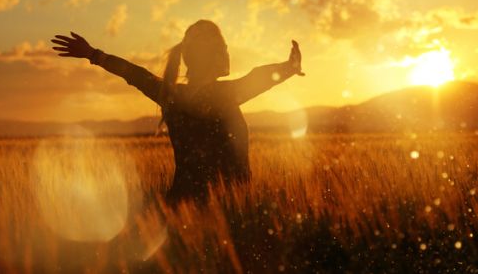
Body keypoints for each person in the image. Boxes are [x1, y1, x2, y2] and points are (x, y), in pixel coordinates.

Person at [51, 20, 304, 204]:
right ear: (217, 55)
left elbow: (135, 73)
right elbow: (259, 77)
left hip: (182, 206)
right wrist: (289, 67)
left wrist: (93, 54)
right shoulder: (224, 95)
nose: (226, 53)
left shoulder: (170, 96)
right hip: (229, 214)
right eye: (222, 48)